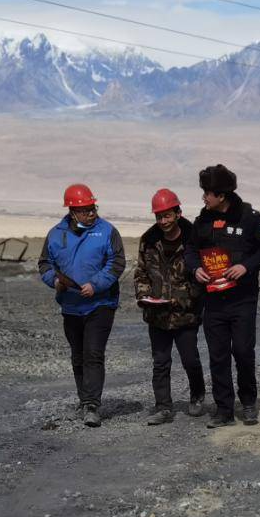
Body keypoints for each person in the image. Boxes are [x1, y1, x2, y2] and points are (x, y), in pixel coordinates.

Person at [184, 164, 260, 428]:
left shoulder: (250, 217)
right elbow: (190, 250)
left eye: (207, 193)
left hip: (243, 300)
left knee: (244, 352)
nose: (204, 198)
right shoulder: (203, 221)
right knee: (218, 354)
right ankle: (224, 409)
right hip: (213, 301)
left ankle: (248, 403)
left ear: (221, 195)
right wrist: (195, 268)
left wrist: (245, 266)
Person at [38, 183, 126, 427]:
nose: (91, 213)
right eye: (85, 210)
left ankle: (92, 405)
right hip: (70, 306)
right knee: (77, 355)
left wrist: (96, 284)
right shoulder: (56, 233)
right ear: (72, 211)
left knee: (93, 354)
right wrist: (54, 281)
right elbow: (45, 264)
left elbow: (117, 263)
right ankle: (83, 400)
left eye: (92, 208)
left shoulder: (108, 231)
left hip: (101, 303)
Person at [134, 188, 207, 425]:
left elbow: (202, 274)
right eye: (159, 216)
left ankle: (197, 395)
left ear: (178, 213)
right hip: (157, 314)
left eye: (167, 215)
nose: (163, 221)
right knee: (160, 361)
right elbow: (141, 273)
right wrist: (144, 296)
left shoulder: (194, 238)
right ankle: (163, 406)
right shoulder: (148, 240)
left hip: (186, 313)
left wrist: (186, 297)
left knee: (190, 359)